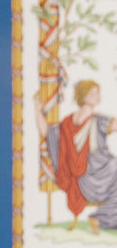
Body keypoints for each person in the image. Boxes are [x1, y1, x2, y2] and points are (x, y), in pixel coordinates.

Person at [35, 80, 117, 232]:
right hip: (96, 176)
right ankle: (101, 219)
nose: (97, 95)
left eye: (97, 92)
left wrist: (37, 112)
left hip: (81, 179)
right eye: (93, 93)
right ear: (83, 96)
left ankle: (100, 219)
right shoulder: (98, 121)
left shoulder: (67, 122)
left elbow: (46, 132)